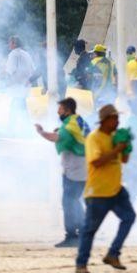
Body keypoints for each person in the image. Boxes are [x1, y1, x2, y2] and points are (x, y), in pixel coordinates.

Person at [75, 104, 136, 273]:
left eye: (118, 118)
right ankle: (81, 264)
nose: (117, 122)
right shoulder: (94, 138)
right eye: (114, 118)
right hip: (98, 192)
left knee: (129, 217)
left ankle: (113, 254)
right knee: (89, 230)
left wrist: (126, 147)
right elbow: (96, 162)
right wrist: (117, 148)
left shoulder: (115, 136)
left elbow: (123, 160)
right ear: (105, 120)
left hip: (116, 189)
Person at [35, 98, 90, 248]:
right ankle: (85, 230)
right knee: (74, 199)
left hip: (76, 167)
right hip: (82, 165)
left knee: (69, 201)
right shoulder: (77, 120)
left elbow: (57, 138)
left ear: (67, 110)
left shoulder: (70, 124)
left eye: (60, 109)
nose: (58, 111)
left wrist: (41, 132)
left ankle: (72, 236)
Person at [5, 35, 36, 130]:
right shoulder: (26, 54)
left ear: (14, 44)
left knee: (15, 106)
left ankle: (12, 128)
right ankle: (26, 128)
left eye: (10, 42)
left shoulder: (13, 54)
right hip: (26, 86)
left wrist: (5, 80)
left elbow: (10, 71)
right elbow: (33, 69)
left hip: (17, 86)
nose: (8, 44)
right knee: (21, 106)